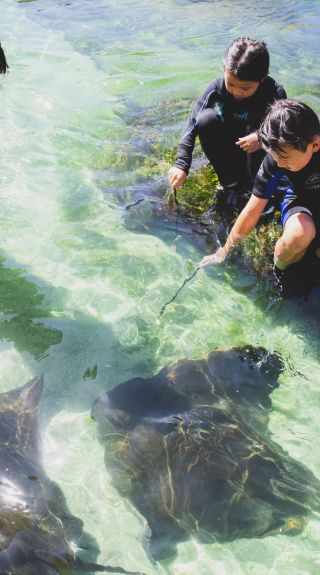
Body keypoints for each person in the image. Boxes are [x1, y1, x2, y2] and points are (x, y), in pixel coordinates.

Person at [199, 99, 320, 281]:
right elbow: (252, 210)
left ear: (315, 145)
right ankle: (279, 274)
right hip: (300, 200)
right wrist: (225, 250)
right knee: (299, 234)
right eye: (275, 156)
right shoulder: (275, 161)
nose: (279, 164)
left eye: (285, 158)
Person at [168, 37, 286, 211]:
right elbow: (192, 123)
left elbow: (285, 128)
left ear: (262, 78)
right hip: (229, 150)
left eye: (246, 88)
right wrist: (181, 164)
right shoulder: (216, 89)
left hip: (258, 152)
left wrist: (261, 138)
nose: (237, 92)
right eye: (231, 84)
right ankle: (230, 185)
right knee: (205, 119)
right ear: (223, 70)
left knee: (268, 133)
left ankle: (256, 188)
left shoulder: (274, 92)